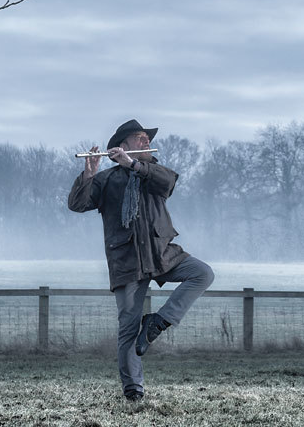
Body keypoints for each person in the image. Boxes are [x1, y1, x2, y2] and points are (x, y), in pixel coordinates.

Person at [67, 119, 215, 403]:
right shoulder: (107, 180)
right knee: (128, 327)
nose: (146, 142)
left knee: (202, 273)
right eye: (140, 138)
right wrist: (88, 176)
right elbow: (77, 204)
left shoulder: (154, 172)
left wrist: (134, 166)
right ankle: (133, 389)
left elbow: (168, 183)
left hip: (161, 253)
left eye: (147, 139)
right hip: (127, 260)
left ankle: (159, 322)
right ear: (122, 146)